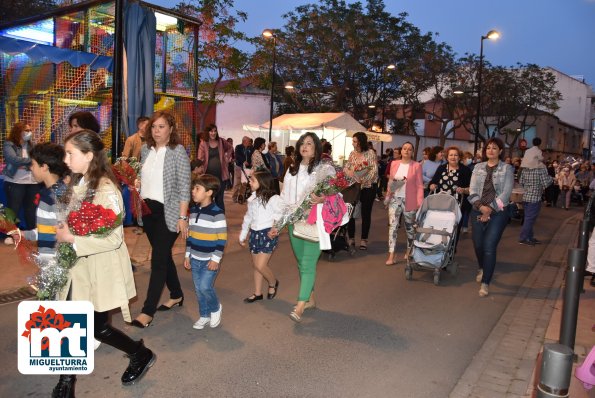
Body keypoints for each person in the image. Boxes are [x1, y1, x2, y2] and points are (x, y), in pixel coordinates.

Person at [54, 130, 155, 395]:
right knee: (76, 323)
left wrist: (72, 239)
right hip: (81, 268)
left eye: (70, 153)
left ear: (88, 155)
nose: (66, 159)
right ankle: (66, 384)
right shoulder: (82, 182)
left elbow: (113, 239)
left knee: (96, 328)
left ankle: (139, 353)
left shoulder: (106, 189)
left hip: (99, 270)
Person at [133, 110, 191, 328]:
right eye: (154, 127)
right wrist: (139, 181)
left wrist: (183, 217)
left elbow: (185, 187)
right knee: (163, 256)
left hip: (170, 212)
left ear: (171, 129)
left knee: (158, 259)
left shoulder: (178, 152)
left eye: (161, 127)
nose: (156, 131)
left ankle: (147, 311)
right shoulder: (146, 149)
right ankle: (176, 294)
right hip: (148, 210)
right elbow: (146, 174)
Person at [270, 132, 334, 323]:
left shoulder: (325, 169)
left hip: (315, 221)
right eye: (302, 143)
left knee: (307, 263)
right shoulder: (292, 169)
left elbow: (334, 195)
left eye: (309, 143)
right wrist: (278, 222)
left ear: (316, 149)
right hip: (294, 222)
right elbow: (284, 197)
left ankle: (299, 305)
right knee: (301, 263)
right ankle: (310, 299)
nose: (305, 146)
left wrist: (323, 198)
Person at [468, 137, 514, 297]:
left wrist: (490, 209)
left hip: (498, 212)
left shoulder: (507, 168)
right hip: (477, 209)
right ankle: (482, 267)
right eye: (488, 148)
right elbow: (472, 190)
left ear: (500, 151)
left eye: (494, 148)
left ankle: (485, 282)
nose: (491, 150)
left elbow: (506, 194)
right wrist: (481, 207)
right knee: (478, 245)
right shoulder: (478, 167)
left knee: (489, 246)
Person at [184, 174, 227, 330]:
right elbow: (190, 236)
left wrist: (216, 259)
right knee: (198, 289)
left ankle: (215, 308)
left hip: (210, 259)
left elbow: (222, 239)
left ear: (209, 192)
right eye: (193, 188)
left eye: (197, 188)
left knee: (204, 287)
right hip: (195, 258)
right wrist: (187, 255)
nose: (193, 191)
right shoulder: (194, 210)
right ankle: (204, 315)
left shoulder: (217, 213)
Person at [239, 170, 282, 303]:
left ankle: (273, 282)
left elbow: (280, 214)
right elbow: (248, 217)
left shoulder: (274, 198)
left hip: (268, 233)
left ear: (262, 182)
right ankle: (257, 293)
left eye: (252, 180)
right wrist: (243, 234)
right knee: (256, 265)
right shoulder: (252, 199)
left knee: (260, 265)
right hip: (254, 234)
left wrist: (275, 227)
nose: (249, 182)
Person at [384, 141, 424, 265]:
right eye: (404, 148)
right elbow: (391, 182)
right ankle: (392, 254)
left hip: (410, 201)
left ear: (412, 152)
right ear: (401, 151)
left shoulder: (416, 166)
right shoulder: (394, 164)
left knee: (410, 229)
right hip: (395, 199)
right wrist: (387, 197)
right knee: (392, 227)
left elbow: (419, 186)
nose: (406, 151)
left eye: (409, 149)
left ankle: (409, 250)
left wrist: (419, 203)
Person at [429, 146, 472, 249]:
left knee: (454, 229)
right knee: (440, 228)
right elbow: (433, 182)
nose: (453, 157)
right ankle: (438, 248)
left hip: (457, 205)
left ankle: (451, 251)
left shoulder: (465, 170)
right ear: (447, 157)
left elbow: (471, 188)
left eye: (456, 155)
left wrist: (464, 190)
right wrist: (432, 185)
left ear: (460, 157)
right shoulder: (441, 168)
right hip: (440, 205)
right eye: (451, 155)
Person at [2, 122, 40, 234]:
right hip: (15, 182)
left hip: (32, 182)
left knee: (31, 210)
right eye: (26, 130)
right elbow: (13, 159)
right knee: (13, 210)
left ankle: (32, 233)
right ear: (18, 131)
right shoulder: (9, 144)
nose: (29, 133)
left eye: (30, 130)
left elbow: (39, 158)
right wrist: (32, 161)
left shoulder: (32, 146)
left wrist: (26, 162)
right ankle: (12, 235)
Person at [344, 132, 378, 250]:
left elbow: (373, 172)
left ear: (360, 142)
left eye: (354, 141)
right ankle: (351, 238)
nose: (352, 143)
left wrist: (361, 179)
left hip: (368, 187)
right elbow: (347, 167)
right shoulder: (352, 154)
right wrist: (349, 173)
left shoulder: (370, 153)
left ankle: (364, 239)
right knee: (351, 212)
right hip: (354, 187)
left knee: (366, 213)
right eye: (353, 141)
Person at [518, 154, 553, 246]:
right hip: (535, 198)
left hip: (526, 197)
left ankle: (529, 237)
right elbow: (546, 183)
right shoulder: (540, 170)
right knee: (529, 219)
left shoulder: (525, 170)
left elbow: (521, 182)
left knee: (528, 219)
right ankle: (523, 238)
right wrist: (551, 178)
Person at [197, 124, 233, 211]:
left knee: (219, 199)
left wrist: (227, 156)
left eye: (215, 131)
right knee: (207, 199)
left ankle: (220, 220)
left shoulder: (221, 141)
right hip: (208, 176)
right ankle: (208, 219)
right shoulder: (203, 143)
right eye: (211, 131)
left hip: (221, 175)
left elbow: (230, 148)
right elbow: (199, 157)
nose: (213, 133)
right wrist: (200, 166)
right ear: (208, 132)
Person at [232, 136, 253, 202]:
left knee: (244, 184)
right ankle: (234, 198)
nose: (249, 142)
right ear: (244, 141)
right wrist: (244, 161)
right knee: (236, 183)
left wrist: (251, 162)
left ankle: (241, 198)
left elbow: (251, 156)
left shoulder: (250, 148)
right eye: (248, 141)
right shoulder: (238, 147)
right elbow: (237, 155)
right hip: (239, 167)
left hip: (247, 168)